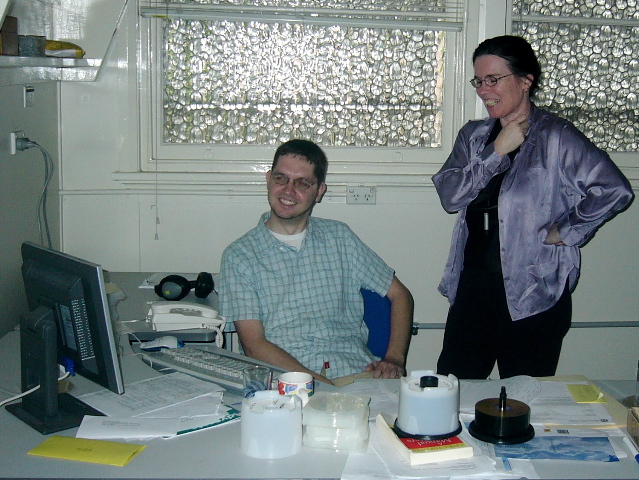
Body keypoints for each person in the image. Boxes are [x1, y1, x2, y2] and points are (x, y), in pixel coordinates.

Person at [433, 35, 634, 380]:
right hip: (473, 291)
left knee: (524, 402)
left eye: (493, 79)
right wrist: (497, 150)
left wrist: (569, 230)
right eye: (479, 81)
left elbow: (614, 189)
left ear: (526, 81)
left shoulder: (556, 136)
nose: (483, 90)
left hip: (533, 294)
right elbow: (451, 196)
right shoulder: (474, 136)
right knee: (453, 390)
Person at [219, 139, 414, 383]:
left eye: (302, 183)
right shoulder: (240, 256)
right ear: (268, 179)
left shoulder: (340, 238)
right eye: (281, 178)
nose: (288, 191)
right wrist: (320, 385)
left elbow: (400, 295)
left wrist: (395, 358)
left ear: (319, 191)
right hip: (285, 383)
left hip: (355, 372)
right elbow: (253, 345)